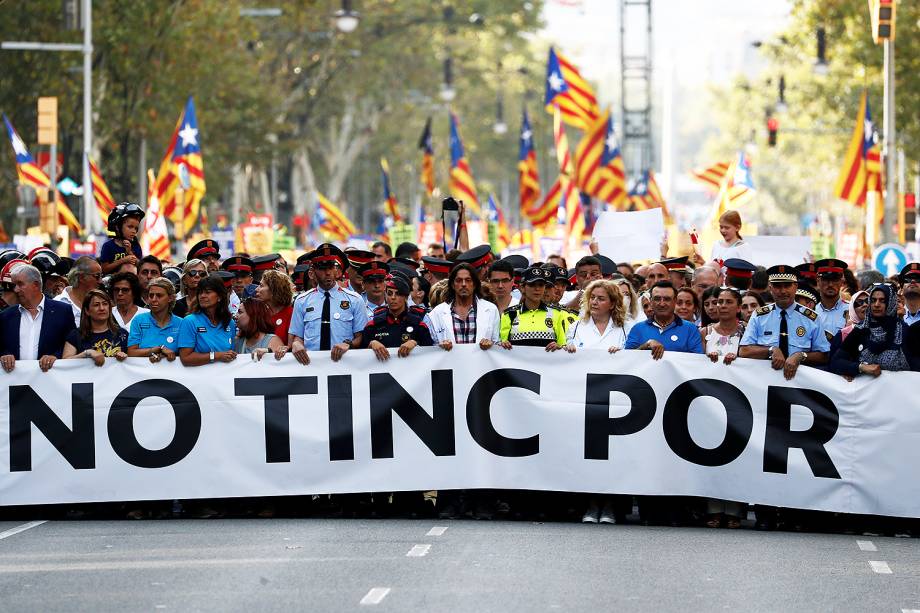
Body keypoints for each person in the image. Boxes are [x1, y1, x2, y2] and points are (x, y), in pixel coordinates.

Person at [739, 265, 830, 380]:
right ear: (770, 288)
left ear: (796, 287)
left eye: (787, 286)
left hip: (800, 384)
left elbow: (824, 355)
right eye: (777, 286)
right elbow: (744, 351)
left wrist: (801, 355)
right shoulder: (759, 316)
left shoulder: (811, 318)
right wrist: (770, 350)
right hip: (764, 382)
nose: (783, 291)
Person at [289, 244, 368, 365]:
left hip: (343, 364)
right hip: (311, 365)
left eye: (331, 268)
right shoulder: (302, 300)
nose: (328, 273)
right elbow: (297, 336)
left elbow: (361, 337)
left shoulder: (355, 300)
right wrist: (296, 344)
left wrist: (348, 344)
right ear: (313, 272)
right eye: (322, 268)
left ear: (336, 270)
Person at [828, 283, 920, 377]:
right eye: (873, 300)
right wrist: (861, 367)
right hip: (866, 390)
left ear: (891, 303)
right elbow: (835, 362)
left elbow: (916, 367)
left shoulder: (904, 332)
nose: (876, 305)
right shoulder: (860, 330)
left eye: (882, 301)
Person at [0, 263, 76, 373]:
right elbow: (2, 346)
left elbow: (72, 343)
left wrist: (55, 357)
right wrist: (4, 355)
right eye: (14, 285)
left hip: (51, 380)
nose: (16, 290)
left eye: (20, 284)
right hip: (14, 382)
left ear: (35, 285)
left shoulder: (63, 311)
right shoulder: (6, 316)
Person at [429, 262, 501, 349]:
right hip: (449, 362)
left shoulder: (491, 309)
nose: (463, 284)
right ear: (452, 284)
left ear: (474, 284)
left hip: (481, 362)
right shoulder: (437, 312)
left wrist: (490, 344)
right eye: (459, 280)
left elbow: (497, 343)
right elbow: (431, 346)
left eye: (468, 280)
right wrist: (441, 345)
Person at [359, 275, 433, 358]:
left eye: (398, 294)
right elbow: (359, 356)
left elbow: (431, 353)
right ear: (385, 296)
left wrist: (416, 343)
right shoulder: (373, 325)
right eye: (389, 294)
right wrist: (371, 344)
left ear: (406, 297)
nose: (393, 297)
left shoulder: (418, 325)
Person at [625, 281, 704, 358]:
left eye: (667, 299)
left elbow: (696, 362)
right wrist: (645, 346)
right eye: (657, 299)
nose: (662, 304)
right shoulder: (638, 329)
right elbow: (627, 360)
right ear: (651, 301)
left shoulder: (690, 329)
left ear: (675, 301)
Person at [499, 267, 568, 350]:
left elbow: (563, 345)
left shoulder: (557, 313)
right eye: (532, 285)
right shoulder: (509, 314)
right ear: (522, 288)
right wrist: (503, 344)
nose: (537, 289)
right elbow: (501, 347)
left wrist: (559, 347)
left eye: (541, 285)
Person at [178, 275, 238, 366]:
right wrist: (216, 356)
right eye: (200, 293)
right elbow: (185, 358)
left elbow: (231, 353)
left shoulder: (230, 323)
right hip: (198, 377)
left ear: (219, 297)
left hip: (224, 376)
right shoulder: (189, 321)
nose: (202, 296)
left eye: (207, 292)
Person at [62, 288, 129, 365]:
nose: (102, 308)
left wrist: (125, 357)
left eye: (105, 304)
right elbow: (65, 362)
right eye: (96, 305)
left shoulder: (122, 334)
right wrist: (87, 353)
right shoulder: (76, 335)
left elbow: (134, 361)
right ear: (87, 311)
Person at [565, 279, 631, 353]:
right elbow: (568, 355)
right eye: (592, 297)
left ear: (612, 304)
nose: (594, 302)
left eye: (601, 299)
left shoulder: (626, 328)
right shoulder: (575, 327)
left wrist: (622, 353)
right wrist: (561, 349)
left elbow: (631, 358)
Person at [127, 277, 183, 363]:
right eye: (151, 295)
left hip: (172, 374)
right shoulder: (139, 320)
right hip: (143, 374)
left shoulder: (181, 323)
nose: (153, 299)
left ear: (170, 298)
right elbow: (131, 352)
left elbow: (186, 353)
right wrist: (157, 349)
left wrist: (164, 356)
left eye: (159, 296)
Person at [700, 287, 745, 365]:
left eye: (729, 302)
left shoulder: (746, 331)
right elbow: (698, 361)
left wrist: (738, 359)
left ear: (739, 308)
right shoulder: (705, 332)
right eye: (720, 302)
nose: (723, 306)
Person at [55, 256, 102, 327]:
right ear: (81, 278)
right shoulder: (58, 303)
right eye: (97, 276)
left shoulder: (102, 303)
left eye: (102, 276)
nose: (100, 281)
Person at [99, 202, 144, 275]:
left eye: (136, 228)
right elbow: (104, 269)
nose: (134, 231)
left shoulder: (135, 245)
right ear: (117, 227)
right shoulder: (108, 246)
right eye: (130, 227)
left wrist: (130, 252)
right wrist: (123, 260)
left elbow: (142, 267)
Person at [255, 269, 294, 345]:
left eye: (261, 285)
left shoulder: (292, 315)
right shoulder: (258, 314)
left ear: (274, 290)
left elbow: (290, 347)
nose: (256, 289)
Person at [814, 259, 850, 338]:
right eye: (826, 280)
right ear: (818, 281)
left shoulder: (851, 310)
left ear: (841, 282)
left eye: (835, 280)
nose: (830, 284)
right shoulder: (811, 311)